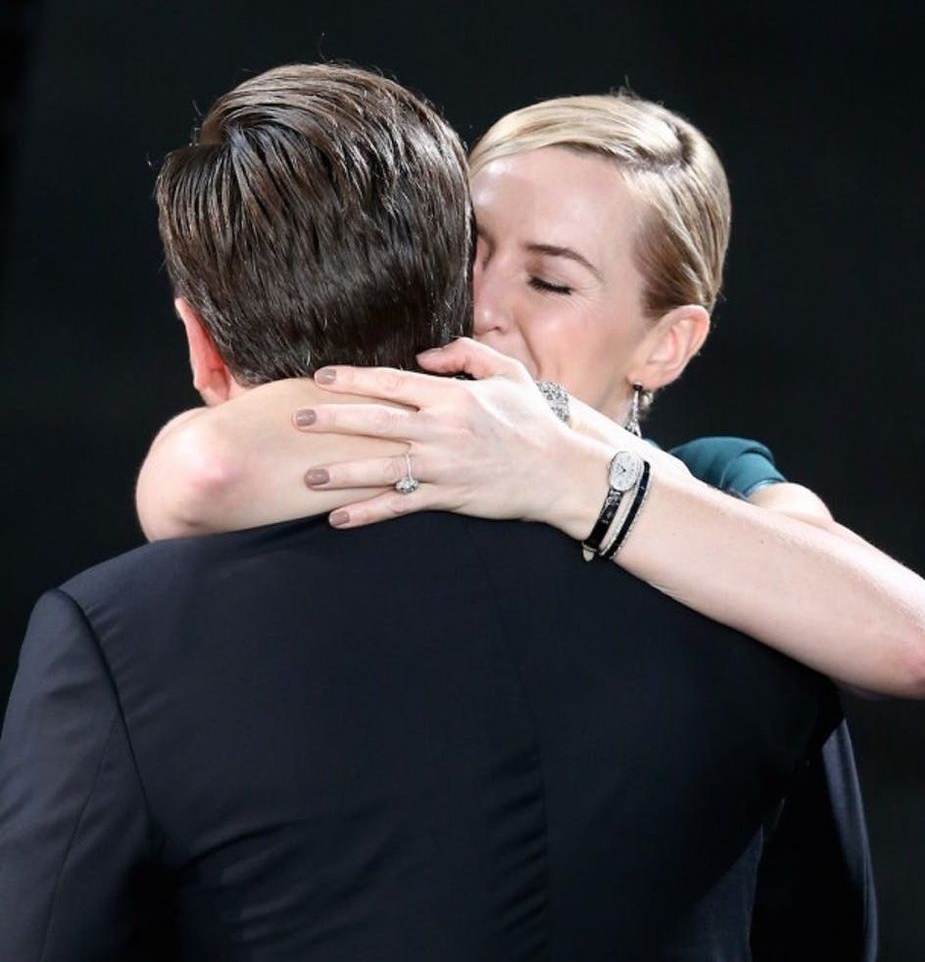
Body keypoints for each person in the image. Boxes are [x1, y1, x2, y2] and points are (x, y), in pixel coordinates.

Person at [0, 62, 844, 960]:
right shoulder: (755, 625)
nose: (486, 308)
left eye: (552, 283)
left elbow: (914, 640)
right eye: (468, 255)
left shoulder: (755, 557)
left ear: (668, 342)